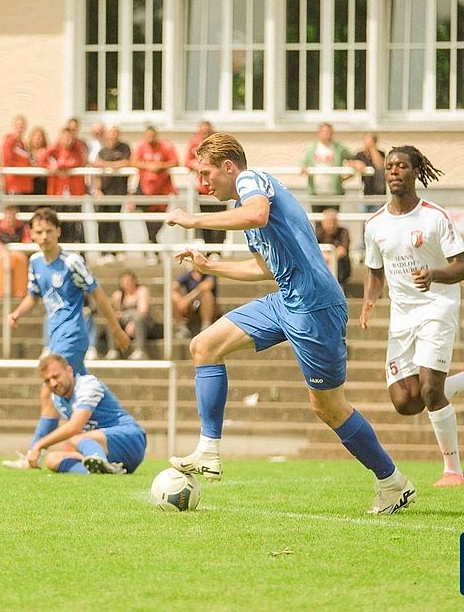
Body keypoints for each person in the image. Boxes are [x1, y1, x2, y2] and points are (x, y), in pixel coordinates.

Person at [164, 132, 416, 515]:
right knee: (204, 346)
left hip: (314, 307)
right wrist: (210, 266)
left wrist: (191, 219)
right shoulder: (245, 205)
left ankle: (392, 482)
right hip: (286, 299)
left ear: (228, 167)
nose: (203, 184)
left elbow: (257, 214)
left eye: (206, 174)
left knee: (329, 408)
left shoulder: (251, 182)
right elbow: (264, 266)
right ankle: (209, 450)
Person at [360, 145, 464, 488]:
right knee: (405, 401)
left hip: (437, 307)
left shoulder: (435, 217)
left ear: (415, 172)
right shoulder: (374, 224)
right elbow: (375, 272)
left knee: (430, 388)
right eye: (390, 166)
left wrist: (434, 274)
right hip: (402, 316)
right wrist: (369, 302)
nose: (394, 171)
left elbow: (462, 267)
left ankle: (454, 470)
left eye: (402, 165)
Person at [9, 206, 129, 374]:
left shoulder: (71, 261)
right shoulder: (35, 262)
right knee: (75, 381)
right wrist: (17, 313)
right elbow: (33, 296)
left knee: (55, 377)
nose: (45, 237)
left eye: (49, 231)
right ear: (32, 234)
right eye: (40, 232)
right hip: (54, 332)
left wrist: (116, 328)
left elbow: (97, 292)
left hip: (73, 332)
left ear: (58, 231)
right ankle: (99, 392)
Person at [2, 353, 146, 475]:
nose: (53, 383)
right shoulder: (57, 399)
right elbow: (48, 423)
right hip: (105, 450)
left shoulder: (88, 385)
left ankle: (99, 460)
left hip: (130, 438)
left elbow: (74, 427)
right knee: (52, 459)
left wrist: (39, 445)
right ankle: (103, 470)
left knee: (75, 438)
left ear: (69, 370)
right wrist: (33, 452)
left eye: (56, 376)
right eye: (47, 381)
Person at [133, 126, 179, 264]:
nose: (150, 138)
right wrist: (148, 166)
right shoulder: (141, 147)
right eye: (148, 136)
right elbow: (133, 162)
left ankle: (150, 246)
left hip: (162, 191)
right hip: (146, 191)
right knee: (149, 223)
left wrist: (160, 166)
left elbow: (175, 162)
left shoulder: (165, 146)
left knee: (160, 221)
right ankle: (152, 251)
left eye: (152, 136)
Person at [39, 127, 87, 244]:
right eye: (65, 138)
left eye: (70, 138)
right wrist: (52, 166)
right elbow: (41, 160)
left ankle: (74, 248)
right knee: (57, 222)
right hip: (57, 192)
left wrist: (59, 165)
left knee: (74, 224)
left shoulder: (77, 149)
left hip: (73, 193)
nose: (68, 141)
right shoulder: (54, 150)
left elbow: (78, 161)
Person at [92, 125, 132, 264]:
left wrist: (106, 164)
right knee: (102, 221)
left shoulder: (124, 148)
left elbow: (126, 163)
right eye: (111, 133)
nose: (113, 135)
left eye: (116, 133)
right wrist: (97, 189)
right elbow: (97, 170)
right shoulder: (103, 151)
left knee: (115, 220)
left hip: (118, 191)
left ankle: (117, 250)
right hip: (104, 191)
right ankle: (104, 252)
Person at [300, 123, 356, 213]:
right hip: (316, 192)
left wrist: (346, 176)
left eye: (329, 132)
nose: (327, 134)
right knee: (317, 219)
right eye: (324, 132)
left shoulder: (339, 148)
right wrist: (304, 167)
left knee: (332, 218)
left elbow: (353, 159)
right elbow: (303, 164)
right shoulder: (312, 148)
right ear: (319, 133)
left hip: (333, 192)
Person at [186, 120, 226, 246]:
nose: (205, 134)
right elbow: (187, 161)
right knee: (205, 219)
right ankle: (208, 249)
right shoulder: (194, 144)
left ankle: (218, 249)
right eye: (202, 132)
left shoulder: (219, 143)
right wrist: (195, 165)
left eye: (207, 132)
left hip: (220, 187)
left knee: (221, 219)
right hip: (204, 188)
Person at [105, 271, 155, 361]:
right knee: (112, 321)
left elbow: (143, 311)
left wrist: (132, 324)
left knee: (138, 318)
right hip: (126, 321)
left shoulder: (142, 291)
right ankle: (112, 350)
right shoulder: (119, 295)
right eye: (124, 281)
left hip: (142, 323)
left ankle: (140, 350)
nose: (127, 283)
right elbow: (117, 312)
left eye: (129, 281)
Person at [0, 204, 31, 299]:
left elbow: (28, 244)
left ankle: (22, 291)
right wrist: (0, 248)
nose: (9, 219)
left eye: (12, 216)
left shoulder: (23, 229)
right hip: (2, 258)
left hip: (19, 259)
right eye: (7, 216)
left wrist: (15, 249)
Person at [172, 264, 217, 339]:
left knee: (207, 294)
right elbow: (173, 286)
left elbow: (206, 286)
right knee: (173, 296)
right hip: (190, 307)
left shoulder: (210, 275)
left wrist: (189, 298)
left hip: (209, 307)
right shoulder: (187, 275)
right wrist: (180, 299)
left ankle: (205, 327)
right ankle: (181, 327)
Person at [315, 208, 352, 286]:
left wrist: (329, 258)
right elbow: (312, 251)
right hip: (322, 266)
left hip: (340, 268)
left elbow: (342, 251)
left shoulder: (343, 232)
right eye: (328, 223)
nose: (331, 225)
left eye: (334, 222)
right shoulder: (318, 233)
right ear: (323, 223)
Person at [352, 132, 386, 213]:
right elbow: (350, 162)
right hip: (364, 194)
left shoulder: (381, 153)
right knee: (363, 218)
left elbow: (379, 165)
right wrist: (355, 163)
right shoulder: (360, 155)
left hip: (378, 194)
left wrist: (372, 148)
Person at [1, 115, 34, 197]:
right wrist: (26, 167)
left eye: (23, 125)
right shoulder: (9, 140)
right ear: (14, 126)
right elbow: (8, 161)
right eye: (18, 125)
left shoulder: (22, 143)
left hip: (24, 184)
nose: (21, 127)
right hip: (13, 184)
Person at [28, 126, 50, 199]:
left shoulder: (47, 152)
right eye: (36, 137)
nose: (38, 140)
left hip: (42, 183)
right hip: (29, 182)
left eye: (40, 137)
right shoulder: (26, 152)